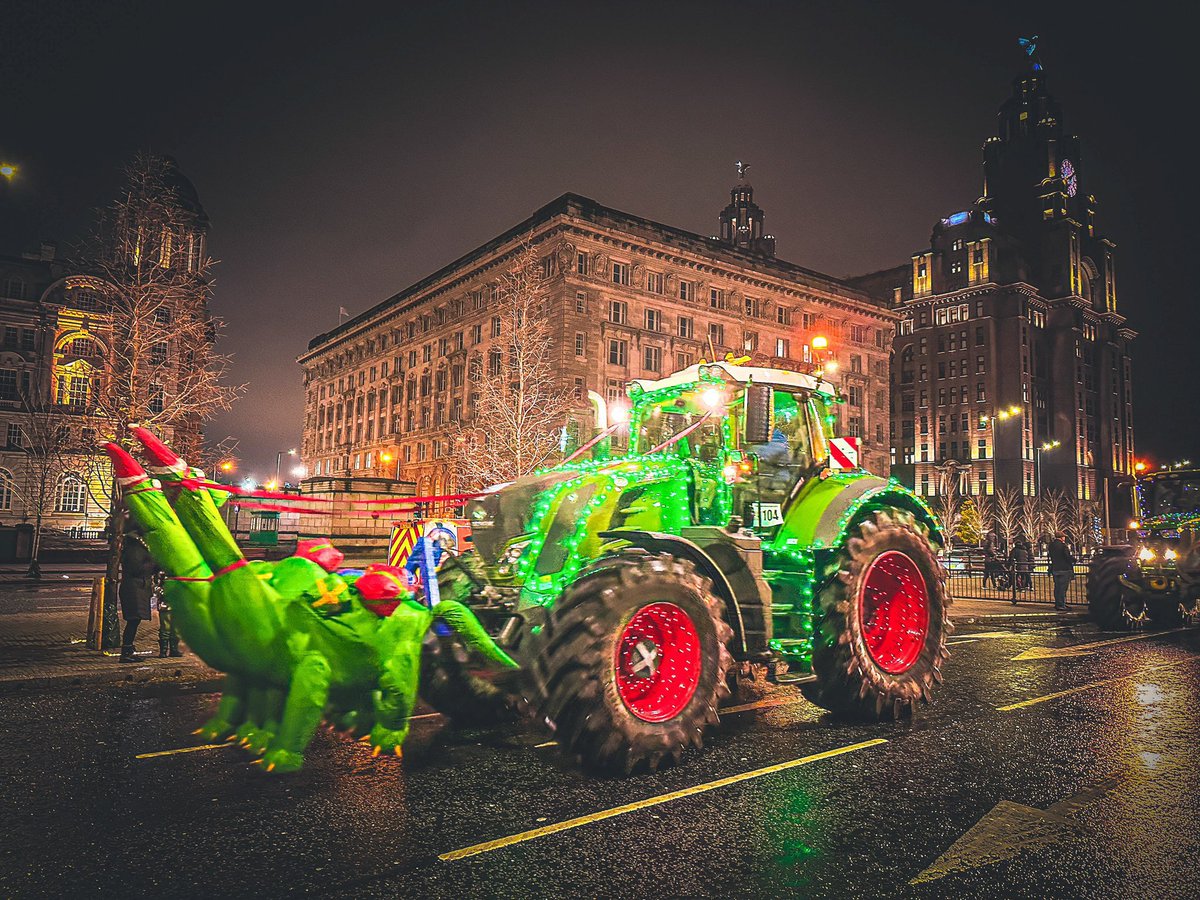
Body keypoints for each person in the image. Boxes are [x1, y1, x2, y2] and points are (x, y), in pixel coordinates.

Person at [118, 520, 157, 663]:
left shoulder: (135, 545)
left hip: (137, 587)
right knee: (133, 620)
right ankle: (126, 651)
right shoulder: (135, 547)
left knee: (135, 620)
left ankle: (128, 649)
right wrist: (153, 564)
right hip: (134, 588)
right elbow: (137, 568)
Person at [1048, 530, 1076, 611]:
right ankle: (1061, 605)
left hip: (1055, 569)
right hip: (1064, 569)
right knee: (1063, 589)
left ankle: (1058, 603)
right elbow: (1067, 556)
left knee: (1057, 588)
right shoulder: (1063, 546)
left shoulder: (1051, 546)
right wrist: (1073, 560)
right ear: (1062, 537)